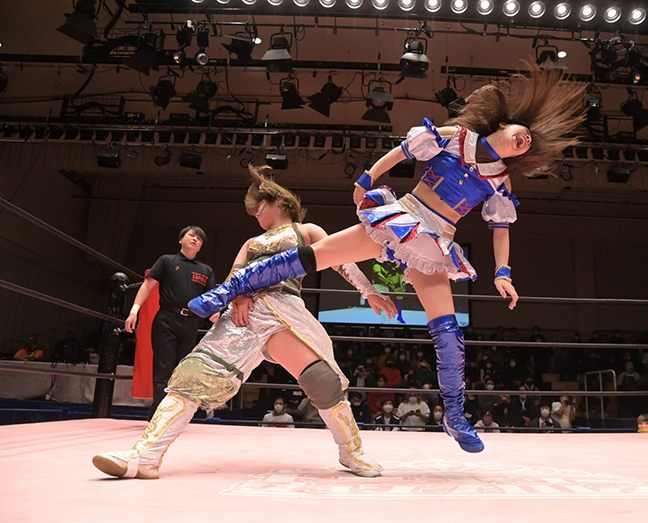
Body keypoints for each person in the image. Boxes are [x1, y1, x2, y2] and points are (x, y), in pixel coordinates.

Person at [188, 61, 585, 453]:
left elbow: (501, 228)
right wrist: (366, 178)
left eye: (531, 142)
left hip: (436, 242)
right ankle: (226, 291)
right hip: (403, 217)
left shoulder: (502, 180)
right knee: (318, 254)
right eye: (524, 133)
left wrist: (503, 273)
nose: (526, 140)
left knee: (448, 331)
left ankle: (454, 414)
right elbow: (402, 151)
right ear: (502, 125)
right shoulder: (456, 136)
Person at [92, 165, 396, 480]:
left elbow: (341, 259)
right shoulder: (250, 243)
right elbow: (233, 277)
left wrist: (370, 292)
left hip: (284, 313)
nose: (255, 214)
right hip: (244, 316)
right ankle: (145, 456)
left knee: (322, 381)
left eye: (259, 206)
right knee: (192, 376)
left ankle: (351, 451)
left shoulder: (306, 231)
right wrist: (238, 297)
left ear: (278, 201)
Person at [125, 225, 216, 420]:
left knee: (183, 372)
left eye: (199, 238)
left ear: (201, 247)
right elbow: (147, 286)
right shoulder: (167, 260)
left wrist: (215, 314)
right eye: (191, 235)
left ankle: (177, 416)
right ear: (180, 239)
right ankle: (157, 417)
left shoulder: (206, 270)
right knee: (163, 369)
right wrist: (134, 311)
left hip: (191, 323)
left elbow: (212, 297)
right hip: (166, 319)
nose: (195, 239)